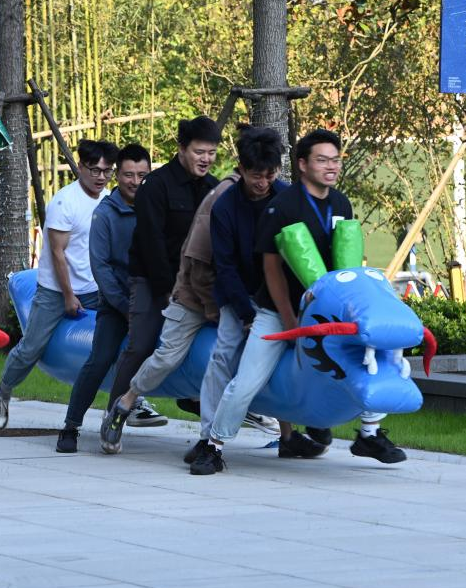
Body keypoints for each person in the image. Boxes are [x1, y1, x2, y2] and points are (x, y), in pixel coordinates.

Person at [192, 129, 405, 476]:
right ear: (303, 164)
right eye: (322, 160)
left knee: (370, 356)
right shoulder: (281, 206)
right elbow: (271, 270)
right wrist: (290, 320)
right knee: (245, 382)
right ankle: (213, 446)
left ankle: (369, 433)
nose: (331, 166)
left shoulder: (341, 203)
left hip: (326, 312)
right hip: (277, 312)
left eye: (335, 160)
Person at [183, 127, 326, 471]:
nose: (262, 183)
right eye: (255, 175)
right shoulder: (225, 207)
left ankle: (290, 434)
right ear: (241, 170)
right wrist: (246, 313)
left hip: (280, 298)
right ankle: (208, 437)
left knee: (286, 356)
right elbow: (225, 267)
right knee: (223, 355)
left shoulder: (288, 199)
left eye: (269, 175)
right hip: (239, 294)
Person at [97, 116, 220, 451]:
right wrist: (167, 292)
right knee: (140, 344)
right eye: (199, 152)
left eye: (211, 152)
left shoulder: (215, 189)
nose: (206, 159)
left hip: (197, 284)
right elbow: (151, 243)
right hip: (152, 280)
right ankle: (115, 414)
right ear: (181, 149)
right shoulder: (156, 185)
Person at [0, 138, 120, 429]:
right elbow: (58, 254)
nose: (101, 177)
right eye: (95, 170)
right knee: (32, 348)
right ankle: (3, 391)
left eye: (107, 171)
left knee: (122, 337)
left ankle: (131, 402)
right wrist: (68, 296)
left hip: (95, 288)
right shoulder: (64, 202)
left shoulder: (109, 200)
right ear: (80, 167)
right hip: (55, 290)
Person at [55, 144, 151, 452]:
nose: (135, 182)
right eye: (128, 175)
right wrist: (126, 308)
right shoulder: (105, 214)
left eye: (142, 175)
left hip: (150, 301)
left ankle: (116, 418)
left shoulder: (154, 206)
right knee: (99, 360)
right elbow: (101, 268)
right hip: (117, 304)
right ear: (117, 175)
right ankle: (71, 426)